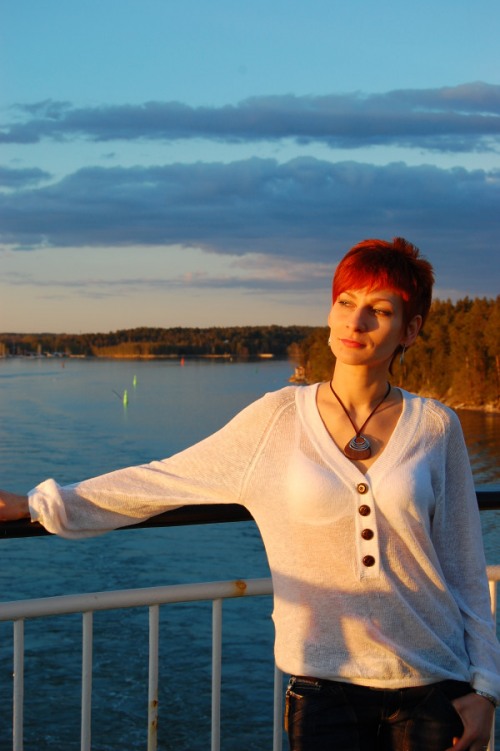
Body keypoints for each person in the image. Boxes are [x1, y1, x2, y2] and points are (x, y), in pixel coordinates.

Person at [1, 237, 499, 751]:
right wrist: (38, 504)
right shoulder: (277, 419)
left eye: (380, 310)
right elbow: (163, 479)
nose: (356, 322)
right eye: (345, 302)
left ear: (409, 330)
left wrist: (485, 687)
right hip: (324, 687)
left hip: (433, 685)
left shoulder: (435, 426)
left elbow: (465, 566)